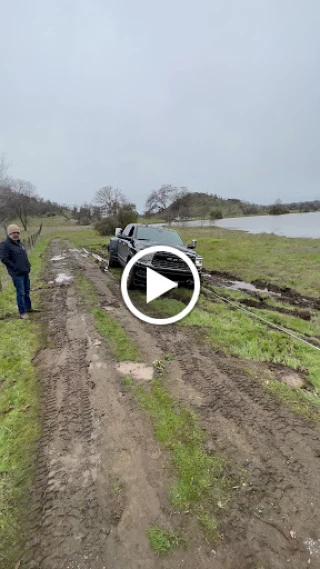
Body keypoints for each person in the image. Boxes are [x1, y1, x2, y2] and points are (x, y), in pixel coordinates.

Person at [0, 224, 40, 320]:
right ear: (9, 233)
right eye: (13, 232)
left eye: (17, 232)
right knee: (20, 293)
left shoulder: (19, 243)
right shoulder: (5, 244)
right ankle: (22, 312)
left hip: (25, 272)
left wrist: (28, 266)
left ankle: (28, 307)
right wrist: (15, 268)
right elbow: (4, 259)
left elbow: (23, 256)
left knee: (26, 291)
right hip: (17, 274)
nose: (16, 234)